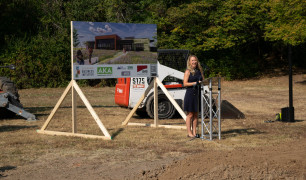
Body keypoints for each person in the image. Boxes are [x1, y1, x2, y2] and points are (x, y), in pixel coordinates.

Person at [183, 55, 205, 138]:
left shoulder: (199, 71)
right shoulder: (188, 71)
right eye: (192, 60)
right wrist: (195, 83)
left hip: (198, 93)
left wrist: (201, 81)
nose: (194, 62)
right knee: (190, 114)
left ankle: (195, 133)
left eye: (195, 60)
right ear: (189, 62)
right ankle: (189, 133)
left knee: (196, 114)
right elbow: (184, 83)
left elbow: (203, 80)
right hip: (190, 94)